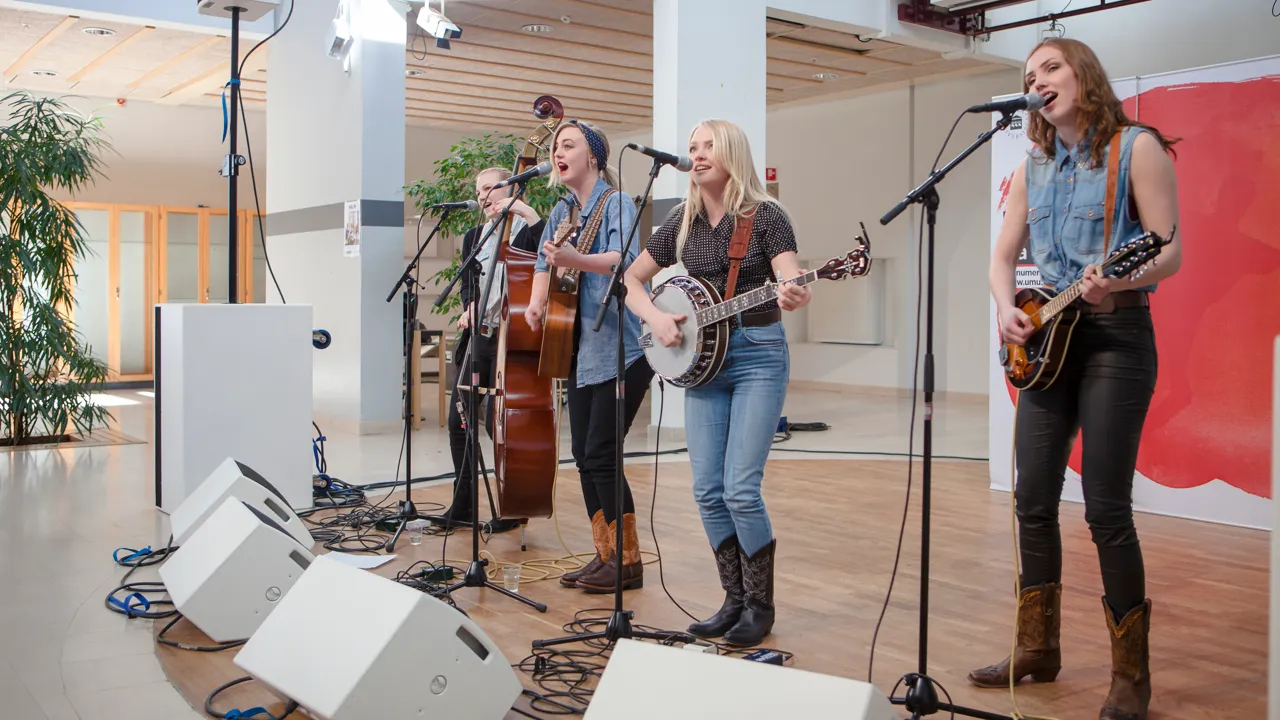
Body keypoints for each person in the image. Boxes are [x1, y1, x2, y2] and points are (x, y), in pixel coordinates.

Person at [969, 38, 1181, 720]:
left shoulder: (1136, 147)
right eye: (1030, 76)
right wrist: (1006, 308)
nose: (1039, 81)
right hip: (1047, 344)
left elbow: (1169, 248)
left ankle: (1131, 678)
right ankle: (1037, 648)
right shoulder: (1034, 165)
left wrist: (1123, 275)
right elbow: (1003, 258)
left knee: (1106, 509)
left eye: (1051, 68)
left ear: (1083, 75)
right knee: (1032, 499)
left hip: (1117, 336)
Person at [622, 119, 811, 647]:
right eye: (692, 148)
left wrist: (795, 291)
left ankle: (760, 605)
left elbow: (789, 274)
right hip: (703, 362)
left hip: (757, 355)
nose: (697, 154)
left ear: (732, 153)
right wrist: (657, 320)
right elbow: (630, 280)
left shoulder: (766, 214)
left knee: (740, 489)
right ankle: (732, 599)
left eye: (708, 146)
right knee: (707, 490)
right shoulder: (681, 219)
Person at [524, 119, 653, 593]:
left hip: (621, 346)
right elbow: (544, 261)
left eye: (569, 144)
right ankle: (606, 555)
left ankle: (630, 561)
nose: (559, 152)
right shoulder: (561, 210)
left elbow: (623, 258)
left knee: (602, 452)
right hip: (578, 348)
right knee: (583, 454)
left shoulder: (614, 203)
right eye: (557, 145)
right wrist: (538, 302)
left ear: (594, 157)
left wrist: (574, 260)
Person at [439, 167, 546, 527]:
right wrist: (468, 304)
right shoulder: (474, 236)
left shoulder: (530, 232)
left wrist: (527, 215)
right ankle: (464, 504)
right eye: (479, 190)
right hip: (480, 336)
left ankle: (513, 507)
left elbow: (549, 260)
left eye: (490, 188)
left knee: (497, 423)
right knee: (460, 419)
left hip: (512, 335)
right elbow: (469, 282)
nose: (484, 196)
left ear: (512, 189)